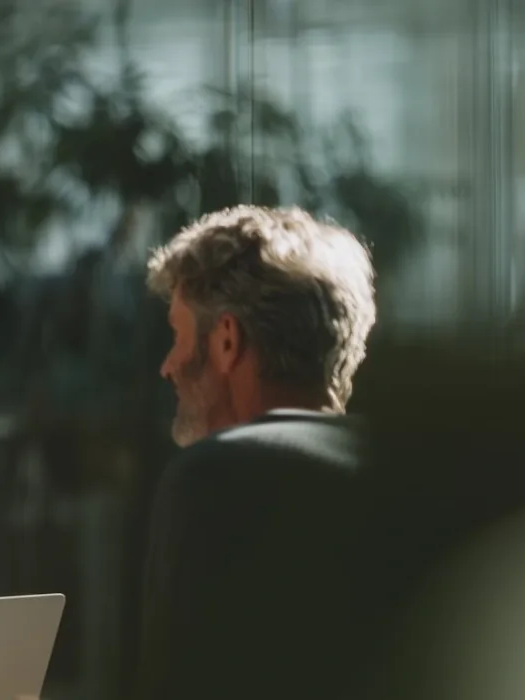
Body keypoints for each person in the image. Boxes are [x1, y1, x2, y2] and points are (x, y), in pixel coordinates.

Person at [133, 205, 378, 700]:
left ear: (227, 340)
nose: (167, 366)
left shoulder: (211, 480)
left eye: (178, 336)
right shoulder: (399, 472)